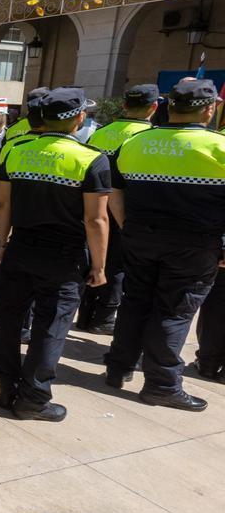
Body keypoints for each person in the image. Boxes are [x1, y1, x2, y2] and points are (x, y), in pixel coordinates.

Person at [104, 78, 225, 410]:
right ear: (210, 109)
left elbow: (115, 196)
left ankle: (119, 367)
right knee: (174, 311)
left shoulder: (136, 143)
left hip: (140, 236)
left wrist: (127, 228)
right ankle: (162, 384)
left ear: (170, 107)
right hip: (194, 245)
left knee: (135, 302)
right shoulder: (220, 147)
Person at [0, 87, 110, 422]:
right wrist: (100, 266)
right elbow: (96, 219)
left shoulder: (16, 149)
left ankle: (7, 389)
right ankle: (33, 398)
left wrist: (3, 244)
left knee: (8, 320)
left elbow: (3, 204)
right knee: (50, 327)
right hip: (64, 255)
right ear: (78, 118)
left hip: (20, 247)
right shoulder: (90, 158)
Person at [78, 84, 158, 334]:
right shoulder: (150, 137)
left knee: (95, 257)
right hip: (128, 208)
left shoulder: (101, 133)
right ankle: (104, 316)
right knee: (119, 264)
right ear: (154, 107)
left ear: (124, 105)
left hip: (94, 203)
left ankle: (86, 314)